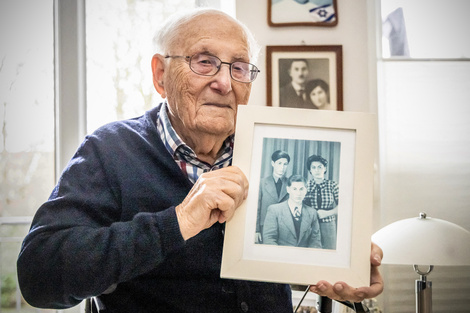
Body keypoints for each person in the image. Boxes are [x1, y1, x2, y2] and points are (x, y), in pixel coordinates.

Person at [17, 8, 383, 313]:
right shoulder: (110, 150)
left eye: (239, 67)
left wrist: (338, 261)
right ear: (161, 75)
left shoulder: (268, 152)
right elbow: (39, 276)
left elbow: (272, 250)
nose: (225, 82)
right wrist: (178, 221)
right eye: (204, 62)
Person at [262, 175, 322, 248]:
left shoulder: (312, 213)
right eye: (294, 189)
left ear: (306, 190)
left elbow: (315, 241)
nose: (298, 193)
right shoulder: (274, 210)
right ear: (288, 189)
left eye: (301, 189)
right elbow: (269, 239)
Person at [303, 154, 338, 249]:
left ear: (325, 168)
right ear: (310, 170)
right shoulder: (305, 185)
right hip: (310, 225)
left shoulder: (332, 185)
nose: (317, 170)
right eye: (313, 167)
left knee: (330, 250)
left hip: (328, 224)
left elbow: (344, 206)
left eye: (320, 167)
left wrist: (327, 213)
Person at [256, 150, 290, 243]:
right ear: (272, 163)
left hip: (285, 229)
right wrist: (256, 230)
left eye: (285, 164)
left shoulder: (291, 183)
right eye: (279, 163)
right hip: (265, 227)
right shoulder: (262, 183)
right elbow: (257, 208)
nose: (282, 167)